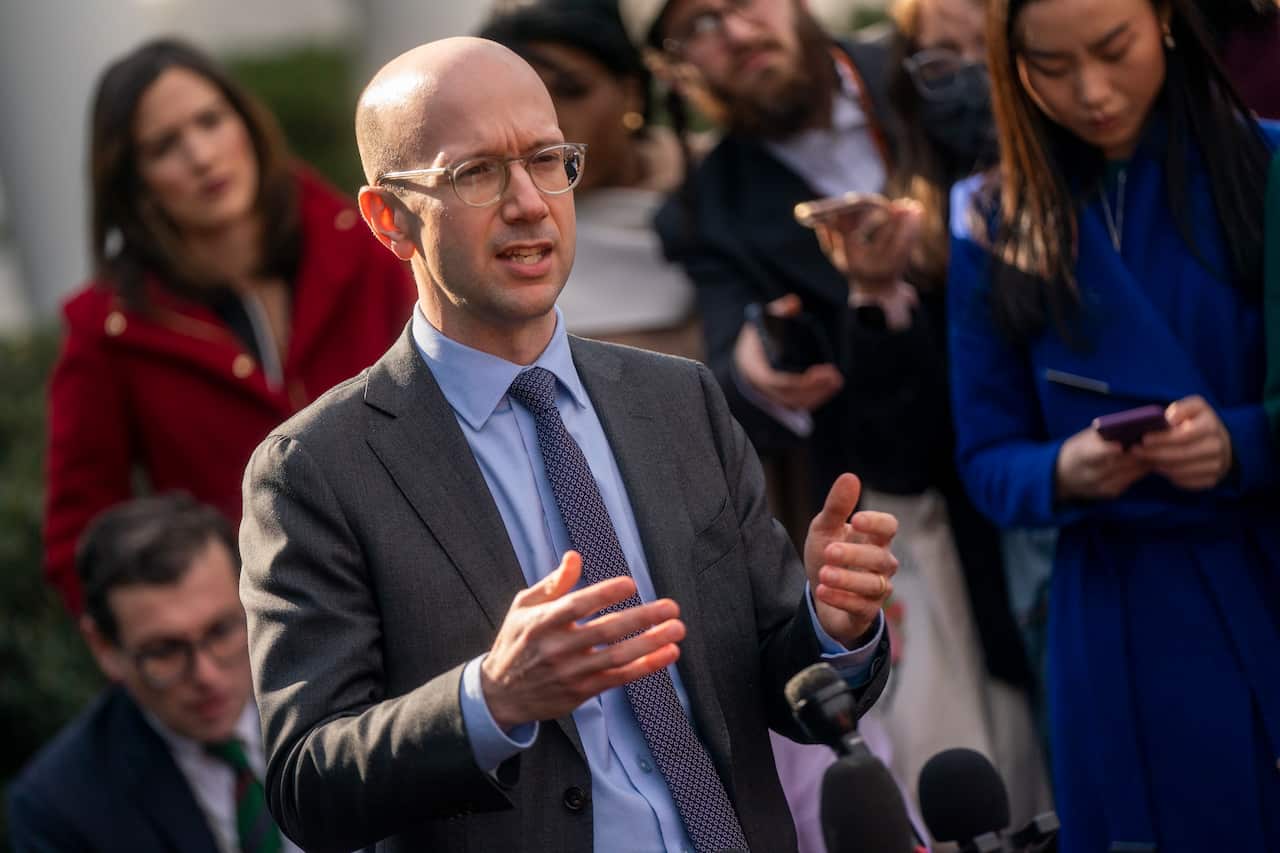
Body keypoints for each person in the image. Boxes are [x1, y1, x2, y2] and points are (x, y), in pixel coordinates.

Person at [238, 37, 899, 853]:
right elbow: (308, 784)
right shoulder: (317, 470)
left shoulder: (681, 400)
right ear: (389, 219)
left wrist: (832, 625)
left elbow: (782, 682)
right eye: (476, 172)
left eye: (547, 159)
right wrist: (491, 699)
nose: (528, 202)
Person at [620, 0, 1044, 835]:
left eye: (744, 3)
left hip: (1053, 468)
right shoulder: (708, 208)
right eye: (698, 24)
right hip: (910, 527)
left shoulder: (923, 69)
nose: (736, 32)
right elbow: (729, 368)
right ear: (675, 67)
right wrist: (758, 370)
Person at [946, 0, 1280, 849]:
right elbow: (986, 458)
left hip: (1258, 568)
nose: (1090, 90)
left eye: (1113, 48)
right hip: (1107, 605)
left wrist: (1239, 441)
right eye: (1049, 66)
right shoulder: (992, 216)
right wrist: (1062, 471)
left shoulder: (1269, 166)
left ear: (1168, 20)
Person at [43, 38, 415, 615]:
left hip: (423, 599)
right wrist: (189, 647)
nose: (200, 155)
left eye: (210, 121)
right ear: (132, 181)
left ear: (246, 123)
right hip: (257, 649)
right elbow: (81, 537)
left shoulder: (370, 245)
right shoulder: (108, 331)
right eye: (165, 145)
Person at [8, 495, 299, 853]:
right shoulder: (60, 811)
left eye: (221, 630)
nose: (206, 674)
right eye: (164, 651)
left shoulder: (341, 694)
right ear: (104, 648)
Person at [477, 0, 703, 359]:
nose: (544, 124)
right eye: (517, 102)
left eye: (570, 90)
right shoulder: (472, 229)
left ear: (631, 93)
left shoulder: (723, 180)